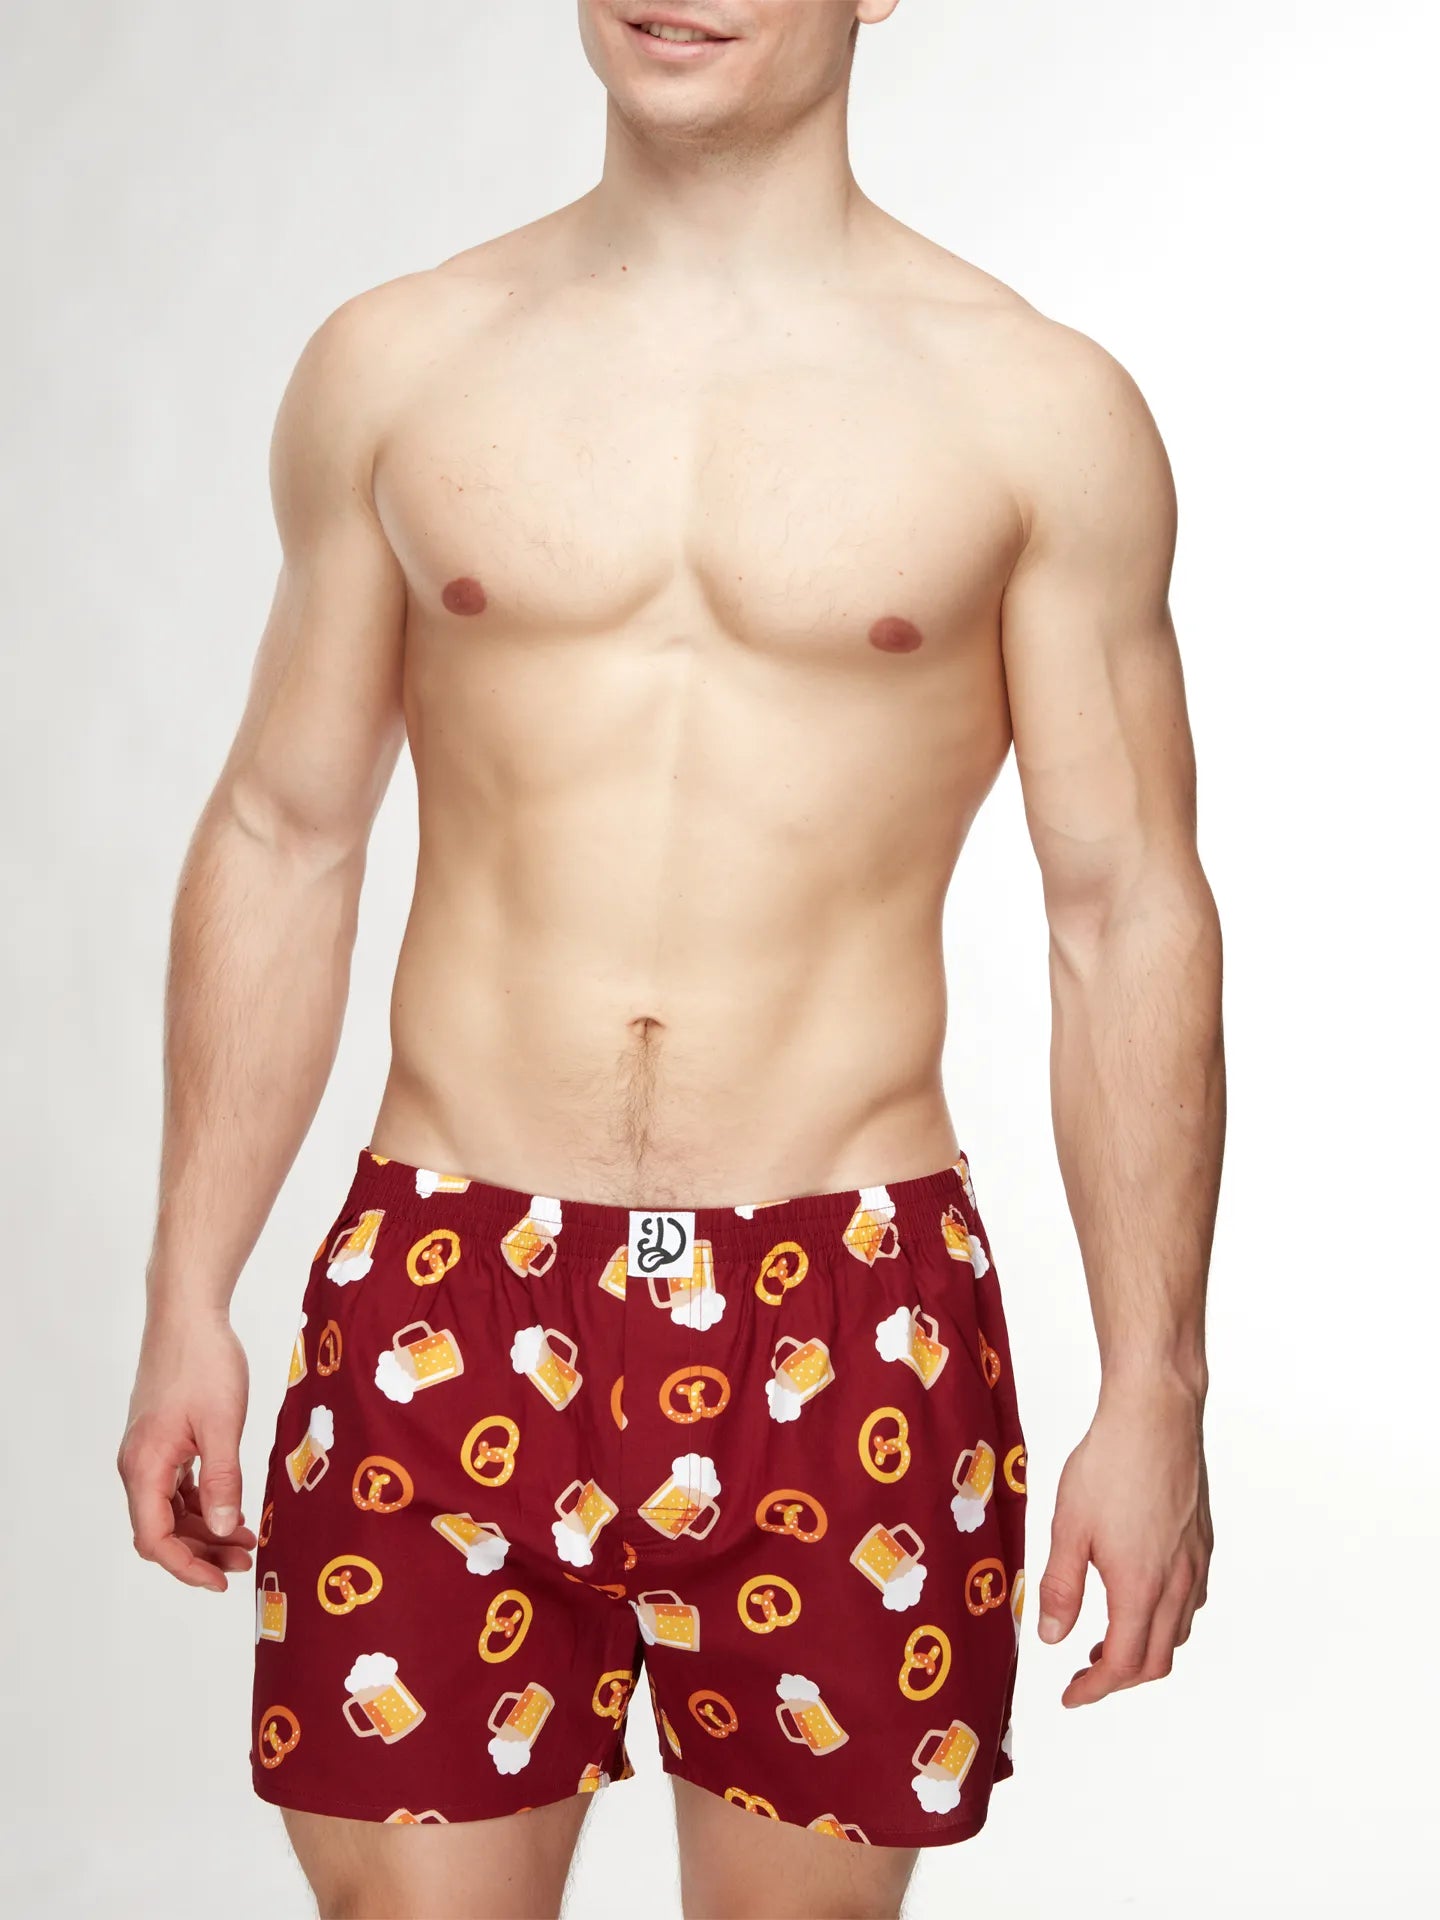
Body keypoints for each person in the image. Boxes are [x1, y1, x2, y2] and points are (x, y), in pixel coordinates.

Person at [117, 3, 1222, 1915]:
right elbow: (286, 832)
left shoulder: (1036, 415)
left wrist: (1159, 1384)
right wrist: (184, 1287)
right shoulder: (401, 365)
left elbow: (1122, 909)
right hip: (448, 1280)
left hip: (846, 1302)